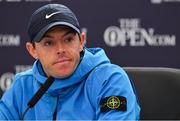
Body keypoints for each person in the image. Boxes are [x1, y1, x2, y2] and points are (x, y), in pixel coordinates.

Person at [0, 3, 140, 120]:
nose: (61, 49)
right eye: (49, 43)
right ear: (32, 50)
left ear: (81, 41)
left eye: (68, 39)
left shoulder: (109, 80)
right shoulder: (22, 85)